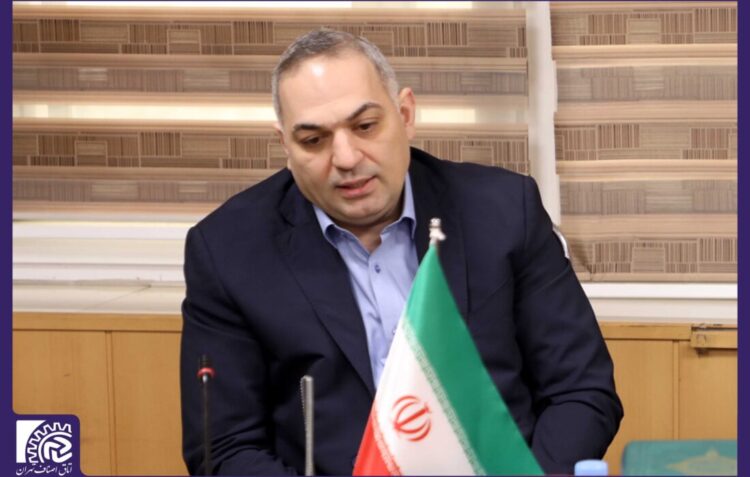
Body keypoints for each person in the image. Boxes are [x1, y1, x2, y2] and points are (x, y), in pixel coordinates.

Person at [180, 29, 623, 476]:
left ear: (405, 114)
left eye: (365, 126)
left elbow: (581, 391)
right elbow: (226, 447)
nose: (346, 158)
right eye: (314, 140)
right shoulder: (227, 251)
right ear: (286, 146)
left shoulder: (504, 211)